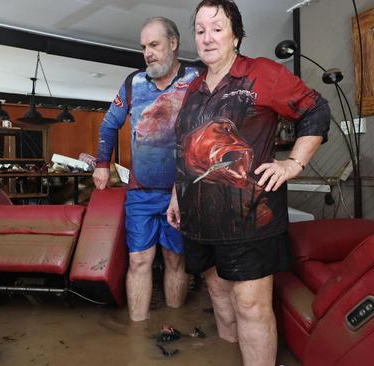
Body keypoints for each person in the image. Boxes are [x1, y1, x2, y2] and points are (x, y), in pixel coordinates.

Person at [166, 1, 330, 365]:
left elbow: (316, 109)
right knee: (217, 292)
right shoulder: (192, 90)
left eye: (217, 28)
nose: (207, 37)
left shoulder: (261, 73)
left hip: (250, 217)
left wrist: (294, 163)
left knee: (250, 304)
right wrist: (176, 198)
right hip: (199, 217)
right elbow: (184, 148)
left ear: (236, 34)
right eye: (200, 30)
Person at [93, 17, 200, 322]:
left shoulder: (196, 80)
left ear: (174, 43)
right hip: (140, 192)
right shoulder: (133, 83)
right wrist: (102, 164)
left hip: (182, 192)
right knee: (139, 260)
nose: (148, 53)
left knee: (175, 259)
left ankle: (173, 326)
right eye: (144, 47)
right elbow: (109, 124)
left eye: (154, 45)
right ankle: (138, 337)